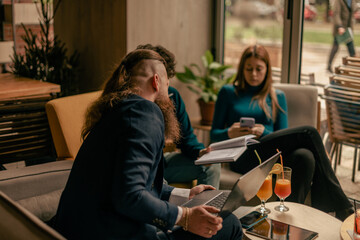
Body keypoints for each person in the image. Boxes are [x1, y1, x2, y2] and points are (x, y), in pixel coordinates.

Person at [54, 49, 242, 240]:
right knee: (229, 222)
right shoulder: (145, 111)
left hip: (79, 229)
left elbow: (129, 183)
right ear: (156, 82)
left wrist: (185, 195)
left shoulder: (115, 110)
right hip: (111, 232)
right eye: (168, 86)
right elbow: (129, 196)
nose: (169, 95)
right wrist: (185, 217)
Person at [210, 44, 353, 220]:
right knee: (308, 132)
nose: (254, 74)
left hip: (270, 157)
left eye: (258, 69)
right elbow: (213, 135)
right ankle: (340, 205)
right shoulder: (228, 92)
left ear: (267, 70)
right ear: (242, 69)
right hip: (242, 157)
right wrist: (229, 132)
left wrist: (264, 132)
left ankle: (290, 216)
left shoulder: (276, 96)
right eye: (249, 69)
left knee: (305, 156)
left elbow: (283, 136)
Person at [136, 44, 221, 189]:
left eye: (168, 79)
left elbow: (186, 137)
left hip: (164, 162)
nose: (167, 85)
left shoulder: (172, 96)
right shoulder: (135, 104)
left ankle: (207, 209)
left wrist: (200, 152)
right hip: (145, 167)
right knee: (158, 183)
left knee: (211, 165)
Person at [327, 0, 357, 73]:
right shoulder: (339, 1)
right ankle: (329, 66)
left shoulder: (352, 1)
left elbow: (354, 9)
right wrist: (340, 26)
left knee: (351, 48)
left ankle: (355, 67)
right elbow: (336, 14)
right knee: (335, 47)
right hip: (340, 29)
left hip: (348, 28)